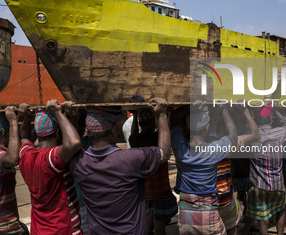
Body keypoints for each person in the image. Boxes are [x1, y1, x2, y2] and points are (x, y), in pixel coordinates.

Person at [69, 97, 171, 234]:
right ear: (112, 131)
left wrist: (70, 118)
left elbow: (72, 144)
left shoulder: (79, 163)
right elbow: (164, 153)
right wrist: (162, 115)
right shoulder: (130, 158)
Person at [170, 101, 237, 234]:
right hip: (208, 213)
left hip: (185, 214)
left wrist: (190, 107)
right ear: (207, 127)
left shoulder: (180, 149)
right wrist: (223, 110)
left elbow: (173, 118)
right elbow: (233, 136)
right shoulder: (214, 149)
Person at [18, 100, 82, 235]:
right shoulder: (51, 158)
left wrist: (26, 117)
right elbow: (74, 143)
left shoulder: (26, 155)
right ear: (59, 133)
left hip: (38, 230)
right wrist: (58, 113)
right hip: (62, 229)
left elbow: (24, 136)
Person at [210, 103, 260, 235]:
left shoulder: (193, 146)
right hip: (226, 194)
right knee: (232, 225)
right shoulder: (226, 145)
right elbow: (255, 135)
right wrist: (245, 110)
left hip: (206, 199)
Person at [129, 107, 178, 235]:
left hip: (145, 191)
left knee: (148, 224)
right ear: (152, 122)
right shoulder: (158, 139)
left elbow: (132, 134)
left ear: (140, 124)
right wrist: (166, 115)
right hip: (160, 190)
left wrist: (134, 116)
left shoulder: (135, 141)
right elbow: (168, 132)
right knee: (160, 225)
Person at [245, 105, 286, 235]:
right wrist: (276, 110)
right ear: (270, 120)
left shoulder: (251, 137)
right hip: (278, 183)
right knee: (280, 210)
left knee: (263, 217)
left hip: (260, 185)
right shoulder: (280, 132)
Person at [0, 108, 29, 235]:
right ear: (4, 133)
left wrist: (25, 117)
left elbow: (26, 142)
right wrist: (13, 121)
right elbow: (13, 159)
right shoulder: (2, 154)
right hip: (5, 227)